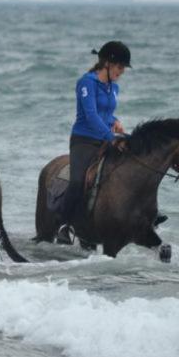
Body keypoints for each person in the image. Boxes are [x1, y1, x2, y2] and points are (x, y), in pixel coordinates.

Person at [56, 40, 131, 244]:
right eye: (119, 67)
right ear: (107, 63)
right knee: (78, 180)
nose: (122, 71)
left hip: (106, 139)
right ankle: (64, 225)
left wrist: (115, 122)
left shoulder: (113, 87)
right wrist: (111, 137)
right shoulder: (86, 82)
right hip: (83, 140)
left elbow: (106, 113)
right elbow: (90, 115)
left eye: (123, 68)